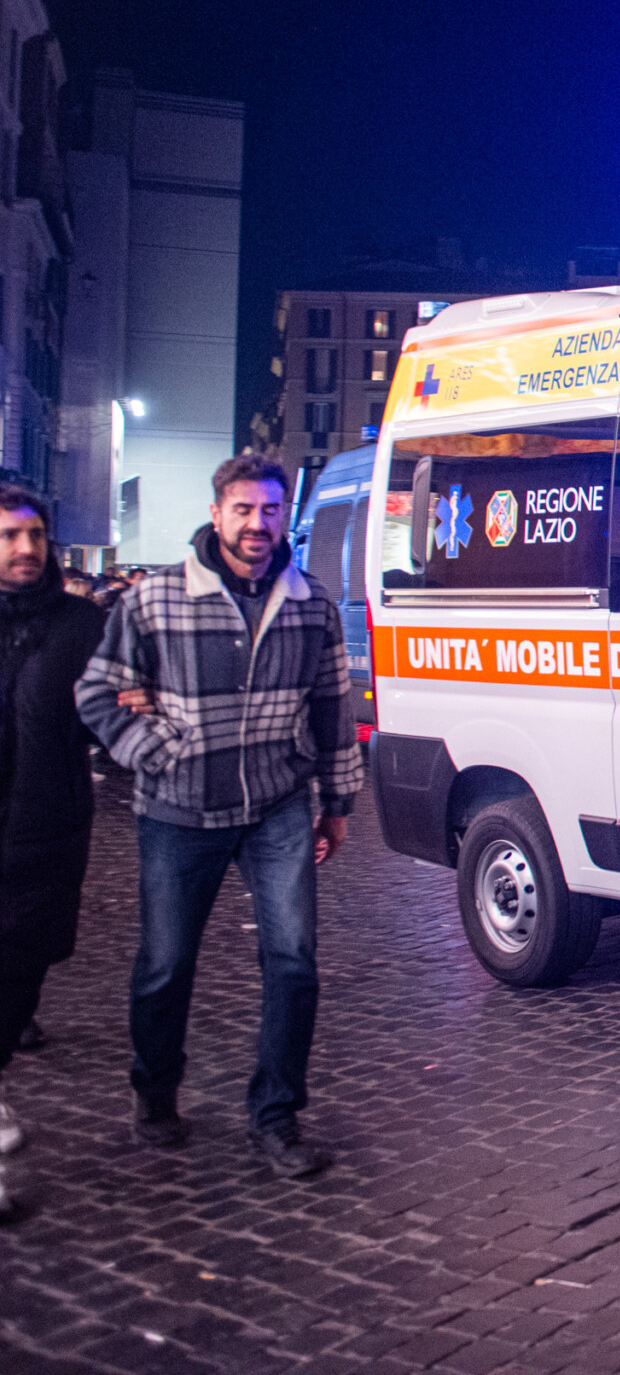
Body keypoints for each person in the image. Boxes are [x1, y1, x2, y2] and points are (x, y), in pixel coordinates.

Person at [76, 453, 365, 1179]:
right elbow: (98, 691)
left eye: (270, 510)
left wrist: (338, 804)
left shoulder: (310, 602)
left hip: (277, 806)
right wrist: (154, 750)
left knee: (294, 964)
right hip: (178, 807)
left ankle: (276, 1115)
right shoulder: (157, 600)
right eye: (243, 509)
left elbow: (332, 709)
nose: (258, 524)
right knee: (166, 965)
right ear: (217, 515)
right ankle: (155, 1091)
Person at [0, 489, 110, 1222]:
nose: (25, 548)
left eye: (35, 533)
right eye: (9, 535)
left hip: (47, 832)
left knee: (20, 978)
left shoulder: (86, 624)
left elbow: (115, 709)